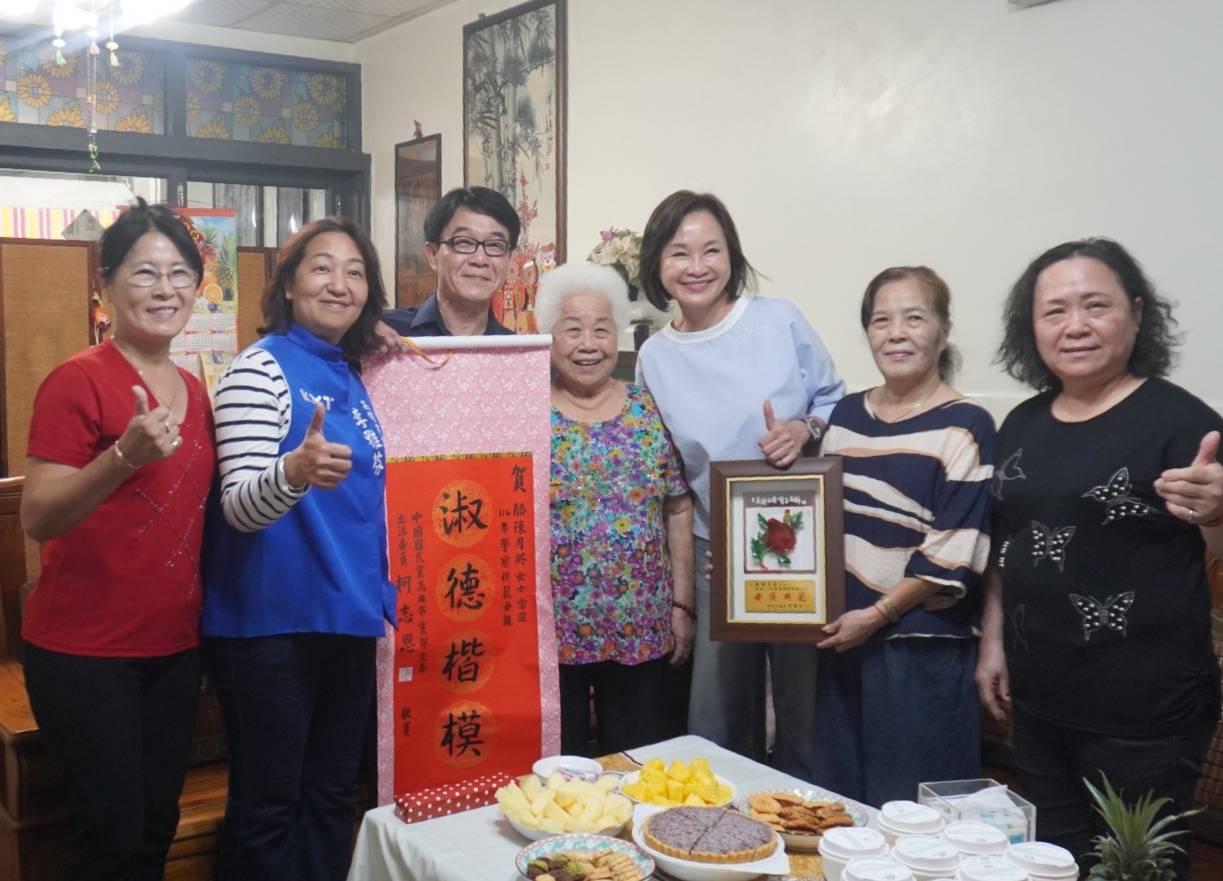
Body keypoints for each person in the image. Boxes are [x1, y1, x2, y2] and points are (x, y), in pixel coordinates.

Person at [975, 239, 1223, 876]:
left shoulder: (1184, 423)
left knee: (1136, 868)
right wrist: (993, 643)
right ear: (1031, 328)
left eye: (1095, 305)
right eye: (1054, 311)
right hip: (1038, 698)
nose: (1075, 325)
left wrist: (1218, 513)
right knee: (1054, 861)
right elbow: (1008, 547)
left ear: (1136, 315)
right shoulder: (1023, 423)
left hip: (1146, 712)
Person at [20, 199, 213, 881]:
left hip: (172, 648)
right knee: (109, 839)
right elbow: (37, 515)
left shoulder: (195, 387)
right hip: (83, 653)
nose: (166, 289)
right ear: (106, 285)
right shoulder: (78, 380)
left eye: (180, 273)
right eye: (145, 273)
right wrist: (122, 456)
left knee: (155, 828)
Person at [203, 217, 395, 881]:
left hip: (345, 618)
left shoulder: (354, 373)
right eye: (321, 267)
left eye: (355, 271)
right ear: (286, 284)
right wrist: (292, 470)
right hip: (269, 629)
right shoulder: (256, 370)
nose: (339, 283)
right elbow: (238, 506)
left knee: (331, 797)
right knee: (268, 806)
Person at [635, 190, 845, 777]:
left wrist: (804, 426)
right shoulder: (655, 355)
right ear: (657, 265)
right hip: (714, 547)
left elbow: (835, 398)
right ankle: (721, 837)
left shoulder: (778, 318)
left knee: (805, 702)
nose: (697, 266)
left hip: (799, 539)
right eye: (679, 253)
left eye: (711, 250)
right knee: (719, 710)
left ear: (732, 256)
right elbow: (668, 467)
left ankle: (808, 830)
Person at [813, 266, 994, 806]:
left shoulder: (967, 424)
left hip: (918, 649)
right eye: (881, 320)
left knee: (914, 809)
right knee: (836, 804)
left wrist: (877, 616)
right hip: (840, 640)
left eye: (914, 318)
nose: (896, 333)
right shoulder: (845, 415)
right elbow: (816, 518)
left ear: (942, 330)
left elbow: (954, 549)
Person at [534, 262, 694, 755]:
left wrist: (682, 606)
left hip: (640, 625)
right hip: (550, 630)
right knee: (561, 769)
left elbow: (678, 506)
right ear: (549, 336)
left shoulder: (648, 408)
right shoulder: (526, 412)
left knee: (638, 762)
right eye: (572, 329)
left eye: (602, 329)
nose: (588, 344)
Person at [381, 186, 520, 337]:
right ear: (433, 254)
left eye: (495, 245)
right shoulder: (382, 333)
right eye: (464, 242)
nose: (480, 260)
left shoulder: (516, 353)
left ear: (509, 258)